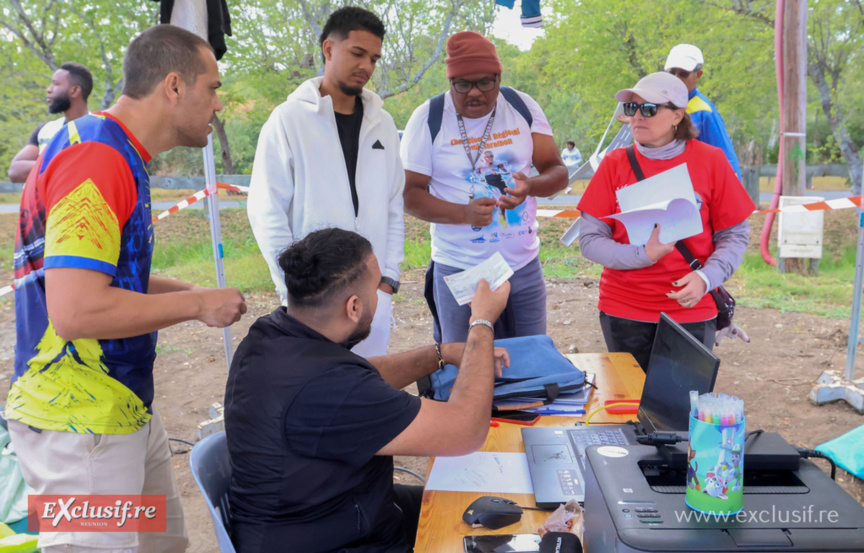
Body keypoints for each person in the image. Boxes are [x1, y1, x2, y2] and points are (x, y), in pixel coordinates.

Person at [7, 25, 247, 553]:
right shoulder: (96, 158)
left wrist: (187, 289)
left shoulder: (112, 149)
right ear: (175, 87)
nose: (218, 105)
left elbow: (106, 277)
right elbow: (76, 310)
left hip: (121, 409)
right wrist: (196, 304)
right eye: (212, 88)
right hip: (80, 429)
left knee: (161, 545)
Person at [225, 228, 511, 553]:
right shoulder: (331, 391)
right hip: (339, 540)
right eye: (377, 288)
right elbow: (466, 430)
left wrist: (439, 354)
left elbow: (359, 377)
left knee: (477, 500)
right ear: (354, 307)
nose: (381, 296)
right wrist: (482, 322)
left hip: (326, 514)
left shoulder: (272, 336)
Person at [247, 6, 404, 358]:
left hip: (370, 294)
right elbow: (265, 210)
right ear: (329, 49)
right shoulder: (288, 120)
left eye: (375, 58)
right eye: (358, 53)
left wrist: (387, 279)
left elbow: (394, 204)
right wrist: (294, 289)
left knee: (370, 388)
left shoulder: (384, 125)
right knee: (317, 396)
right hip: (312, 300)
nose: (367, 66)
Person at [577, 72, 754, 372]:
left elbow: (735, 235)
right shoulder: (614, 164)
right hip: (624, 310)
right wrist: (643, 255)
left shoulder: (711, 161)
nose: (637, 117)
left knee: (679, 410)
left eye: (649, 108)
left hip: (692, 312)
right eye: (632, 108)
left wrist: (706, 278)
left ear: (677, 115)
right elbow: (590, 240)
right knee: (633, 410)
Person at [401, 30, 568, 343]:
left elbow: (557, 171)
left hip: (522, 266)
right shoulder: (428, 118)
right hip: (459, 267)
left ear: (499, 76)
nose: (473, 93)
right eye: (462, 84)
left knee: (529, 361)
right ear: (449, 81)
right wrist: (464, 213)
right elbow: (409, 195)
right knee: (462, 366)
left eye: (484, 82)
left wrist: (530, 186)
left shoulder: (522, 107)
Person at [665, 43, 742, 180]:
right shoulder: (659, 104)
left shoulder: (705, 112)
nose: (676, 78)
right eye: (671, 72)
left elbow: (726, 159)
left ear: (698, 75)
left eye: (683, 73)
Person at [7, 62, 92, 183]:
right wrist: (66, 164)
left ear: (75, 91)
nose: (48, 89)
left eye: (55, 84)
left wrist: (42, 166)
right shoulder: (44, 130)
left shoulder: (101, 129)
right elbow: (15, 171)